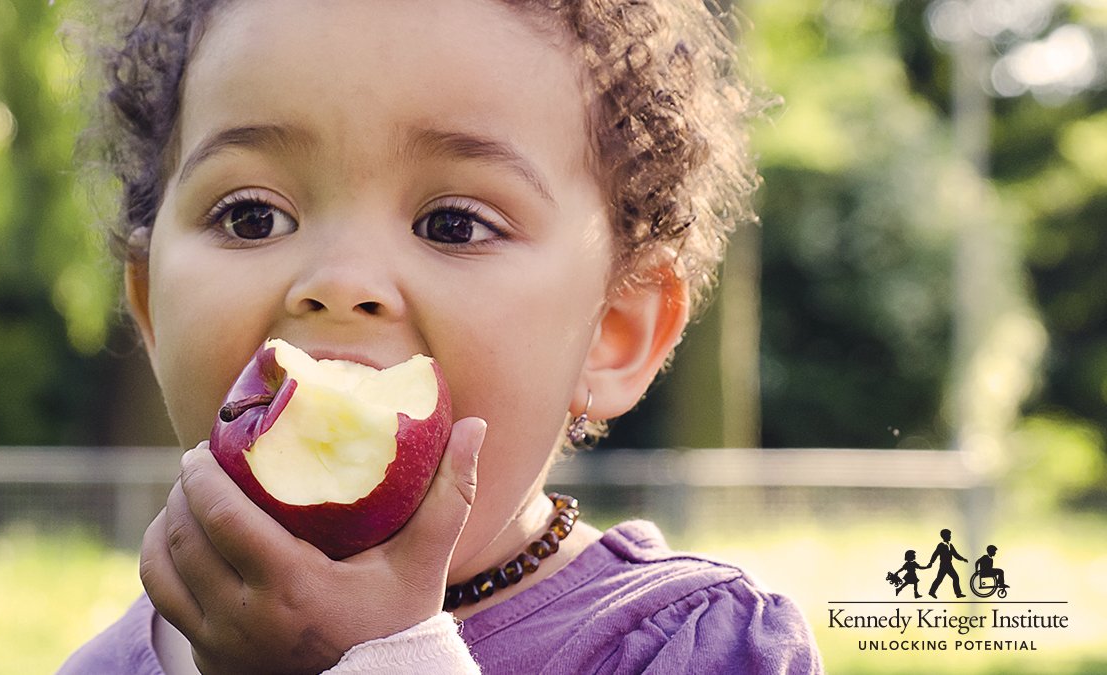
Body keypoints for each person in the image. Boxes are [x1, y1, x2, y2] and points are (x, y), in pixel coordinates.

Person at [58, 0, 821, 672]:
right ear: (151, 304)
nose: (341, 282)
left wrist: (380, 660)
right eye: (252, 216)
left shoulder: (692, 649)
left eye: (452, 225)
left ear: (613, 331)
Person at [927, 528, 968, 599]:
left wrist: (963, 559)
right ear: (944, 536)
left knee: (955, 577)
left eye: (950, 535)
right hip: (943, 565)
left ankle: (958, 594)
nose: (950, 536)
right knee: (939, 579)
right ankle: (931, 592)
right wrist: (931, 562)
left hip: (949, 565)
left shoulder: (950, 545)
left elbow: (955, 554)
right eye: (949, 535)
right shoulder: (941, 545)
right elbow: (935, 554)